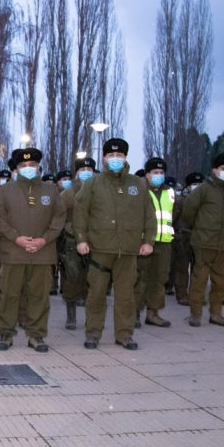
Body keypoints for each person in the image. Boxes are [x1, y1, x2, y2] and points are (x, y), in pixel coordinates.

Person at [74, 138, 156, 350]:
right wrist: (81, 240)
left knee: (126, 296)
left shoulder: (137, 184)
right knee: (96, 295)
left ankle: (124, 334)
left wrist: (148, 241)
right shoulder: (93, 183)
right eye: (111, 156)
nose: (115, 159)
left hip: (129, 250)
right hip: (100, 249)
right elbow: (80, 213)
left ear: (125, 158)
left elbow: (149, 215)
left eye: (119, 156)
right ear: (104, 158)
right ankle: (93, 333)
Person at [0, 148, 66, 352]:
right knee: (8, 295)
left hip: (42, 253)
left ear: (39, 167)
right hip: (13, 253)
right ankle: (6, 333)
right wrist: (17, 238)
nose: (28, 168)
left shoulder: (50, 191)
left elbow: (59, 218)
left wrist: (44, 239)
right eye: (23, 166)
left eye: (32, 165)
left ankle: (36, 335)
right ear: (16, 169)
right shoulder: (4, 192)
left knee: (39, 296)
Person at [180, 153, 224, 327]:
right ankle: (195, 314)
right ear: (214, 170)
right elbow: (189, 211)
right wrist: (199, 228)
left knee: (222, 280)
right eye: (223, 169)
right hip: (204, 241)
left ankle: (216, 313)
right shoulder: (204, 189)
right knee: (199, 279)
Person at [134, 157, 174, 328]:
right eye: (155, 173)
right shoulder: (138, 190)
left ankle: (153, 313)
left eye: (161, 172)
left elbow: (176, 214)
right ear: (147, 175)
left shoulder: (169, 192)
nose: (159, 175)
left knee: (160, 278)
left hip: (164, 242)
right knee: (139, 278)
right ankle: (134, 312)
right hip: (143, 242)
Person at [60, 157, 95, 330]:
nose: (86, 173)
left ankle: (92, 318)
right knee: (72, 278)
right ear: (77, 172)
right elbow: (59, 215)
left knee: (93, 280)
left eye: (89, 170)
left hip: (95, 241)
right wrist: (68, 228)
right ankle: (70, 315)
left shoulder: (99, 190)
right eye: (83, 170)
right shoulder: (68, 193)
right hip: (73, 242)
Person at [171, 172, 203, 306]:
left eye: (199, 184)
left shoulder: (205, 201)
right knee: (182, 268)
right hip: (183, 236)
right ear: (188, 186)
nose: (197, 187)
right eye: (194, 184)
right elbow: (174, 218)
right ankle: (182, 295)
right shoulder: (180, 200)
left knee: (199, 268)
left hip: (200, 236)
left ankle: (196, 295)